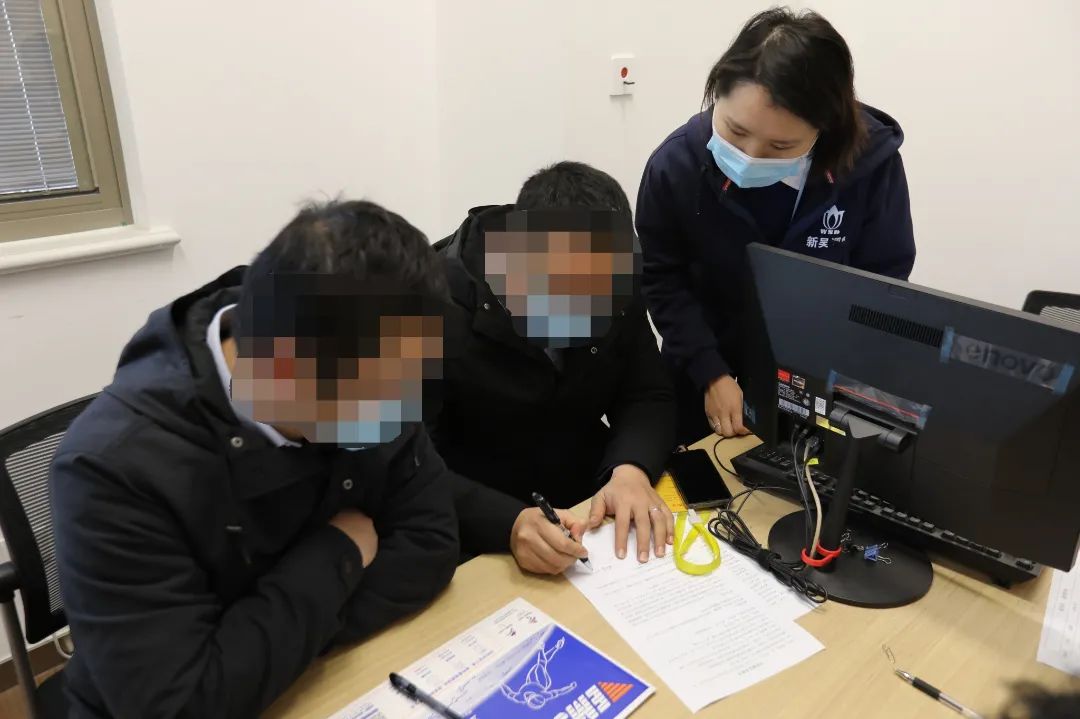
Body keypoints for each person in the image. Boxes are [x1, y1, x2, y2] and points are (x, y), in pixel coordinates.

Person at [51, 200, 459, 717]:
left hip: (326, 682)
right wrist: (340, 551)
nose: (403, 410)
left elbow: (432, 544)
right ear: (283, 370)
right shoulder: (111, 468)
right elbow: (183, 704)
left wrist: (263, 645)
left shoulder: (366, 357)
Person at [636, 8, 917, 445]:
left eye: (780, 146)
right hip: (707, 375)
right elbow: (662, 279)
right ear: (717, 93)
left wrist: (841, 378)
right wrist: (710, 372)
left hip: (823, 378)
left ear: (826, 128)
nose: (750, 156)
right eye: (735, 131)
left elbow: (883, 280)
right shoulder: (675, 167)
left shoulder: (869, 167)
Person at [431, 161, 677, 574]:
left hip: (587, 502)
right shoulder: (429, 304)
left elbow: (645, 392)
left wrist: (631, 469)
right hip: (472, 518)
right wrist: (505, 523)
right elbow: (405, 462)